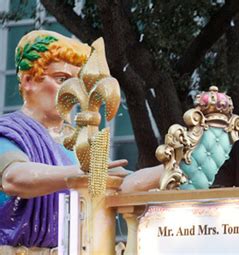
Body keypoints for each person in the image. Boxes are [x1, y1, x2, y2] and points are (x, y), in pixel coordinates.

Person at [0, 30, 164, 251]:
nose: (76, 93)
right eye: (62, 79)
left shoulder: (79, 141)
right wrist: (81, 174)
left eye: (79, 83)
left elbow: (118, 184)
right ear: (29, 80)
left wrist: (173, 168)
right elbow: (14, 178)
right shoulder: (9, 130)